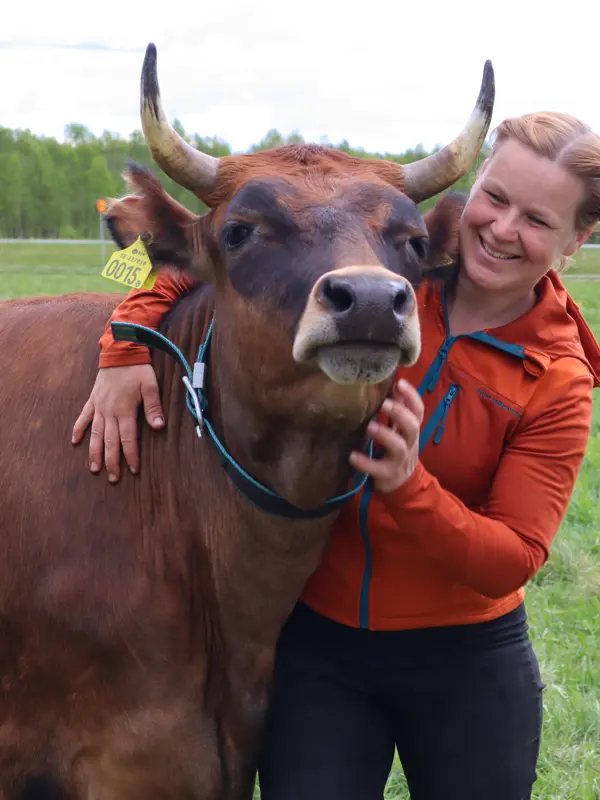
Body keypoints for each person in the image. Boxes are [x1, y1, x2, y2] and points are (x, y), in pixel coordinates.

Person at [72, 112, 600, 800]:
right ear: (464, 207)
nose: (501, 230)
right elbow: (208, 266)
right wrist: (124, 341)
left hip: (466, 661)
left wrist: (409, 486)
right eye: (494, 200)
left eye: (537, 219)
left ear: (576, 241)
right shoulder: (396, 275)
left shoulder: (555, 374)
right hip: (320, 648)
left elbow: (515, 556)